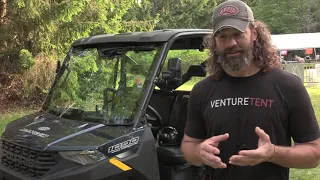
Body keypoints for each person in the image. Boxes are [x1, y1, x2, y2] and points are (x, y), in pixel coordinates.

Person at [181, 0, 320, 180]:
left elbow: (314, 154)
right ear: (214, 42)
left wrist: (273, 153)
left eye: (237, 34)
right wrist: (200, 152)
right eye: (222, 36)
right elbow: (188, 146)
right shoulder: (202, 90)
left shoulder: (288, 86)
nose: (230, 43)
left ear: (254, 33)